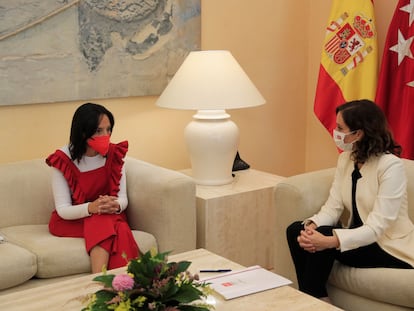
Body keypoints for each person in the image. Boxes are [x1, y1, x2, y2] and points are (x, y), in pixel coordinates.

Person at [286, 99, 414, 302]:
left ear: (359, 133)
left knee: (324, 236)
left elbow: (377, 227)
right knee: (296, 229)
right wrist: (312, 226)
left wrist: (329, 241)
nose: (335, 131)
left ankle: (312, 301)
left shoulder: (390, 166)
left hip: (385, 244)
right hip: (357, 238)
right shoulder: (346, 159)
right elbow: (333, 207)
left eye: (340, 128)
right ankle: (316, 300)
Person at [46, 102, 139, 273]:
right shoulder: (62, 159)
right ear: (83, 132)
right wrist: (92, 208)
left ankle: (103, 285)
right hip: (72, 219)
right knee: (107, 221)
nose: (106, 135)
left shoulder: (115, 154)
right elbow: (63, 210)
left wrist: (116, 205)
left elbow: (122, 198)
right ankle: (123, 284)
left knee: (110, 222)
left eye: (108, 129)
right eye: (98, 131)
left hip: (108, 214)